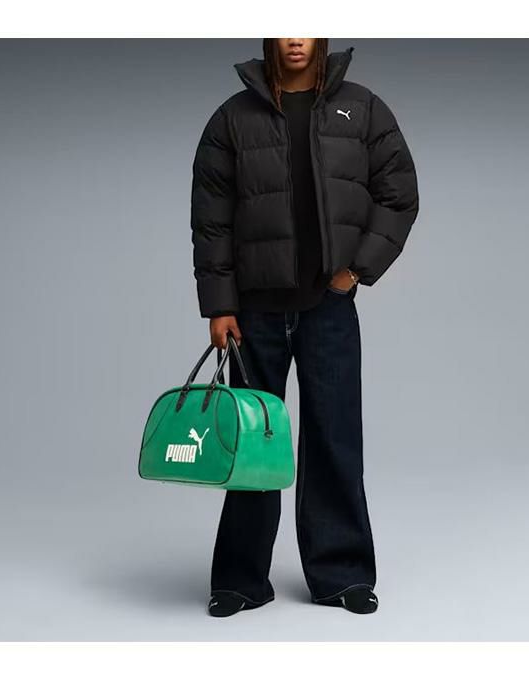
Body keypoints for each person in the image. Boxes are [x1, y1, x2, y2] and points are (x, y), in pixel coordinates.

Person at [190, 38, 419, 617]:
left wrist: (356, 271)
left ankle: (341, 574)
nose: (296, 37)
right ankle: (240, 579)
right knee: (250, 446)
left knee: (335, 439)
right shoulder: (231, 119)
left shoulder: (363, 109)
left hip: (328, 308)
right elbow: (211, 219)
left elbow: (399, 194)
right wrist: (219, 306)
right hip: (253, 315)